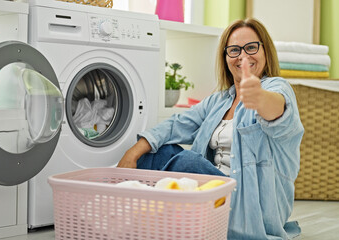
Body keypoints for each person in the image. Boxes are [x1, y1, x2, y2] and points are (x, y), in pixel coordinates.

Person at [117, 18, 304, 240]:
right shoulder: (219, 101)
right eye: (234, 50)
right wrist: (133, 152)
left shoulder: (277, 88)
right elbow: (177, 124)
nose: (243, 56)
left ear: (265, 51)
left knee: (188, 162)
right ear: (226, 58)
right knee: (157, 152)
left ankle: (150, 215)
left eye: (251, 47)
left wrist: (258, 96)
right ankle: (119, 208)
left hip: (247, 206)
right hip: (211, 194)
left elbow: (277, 109)